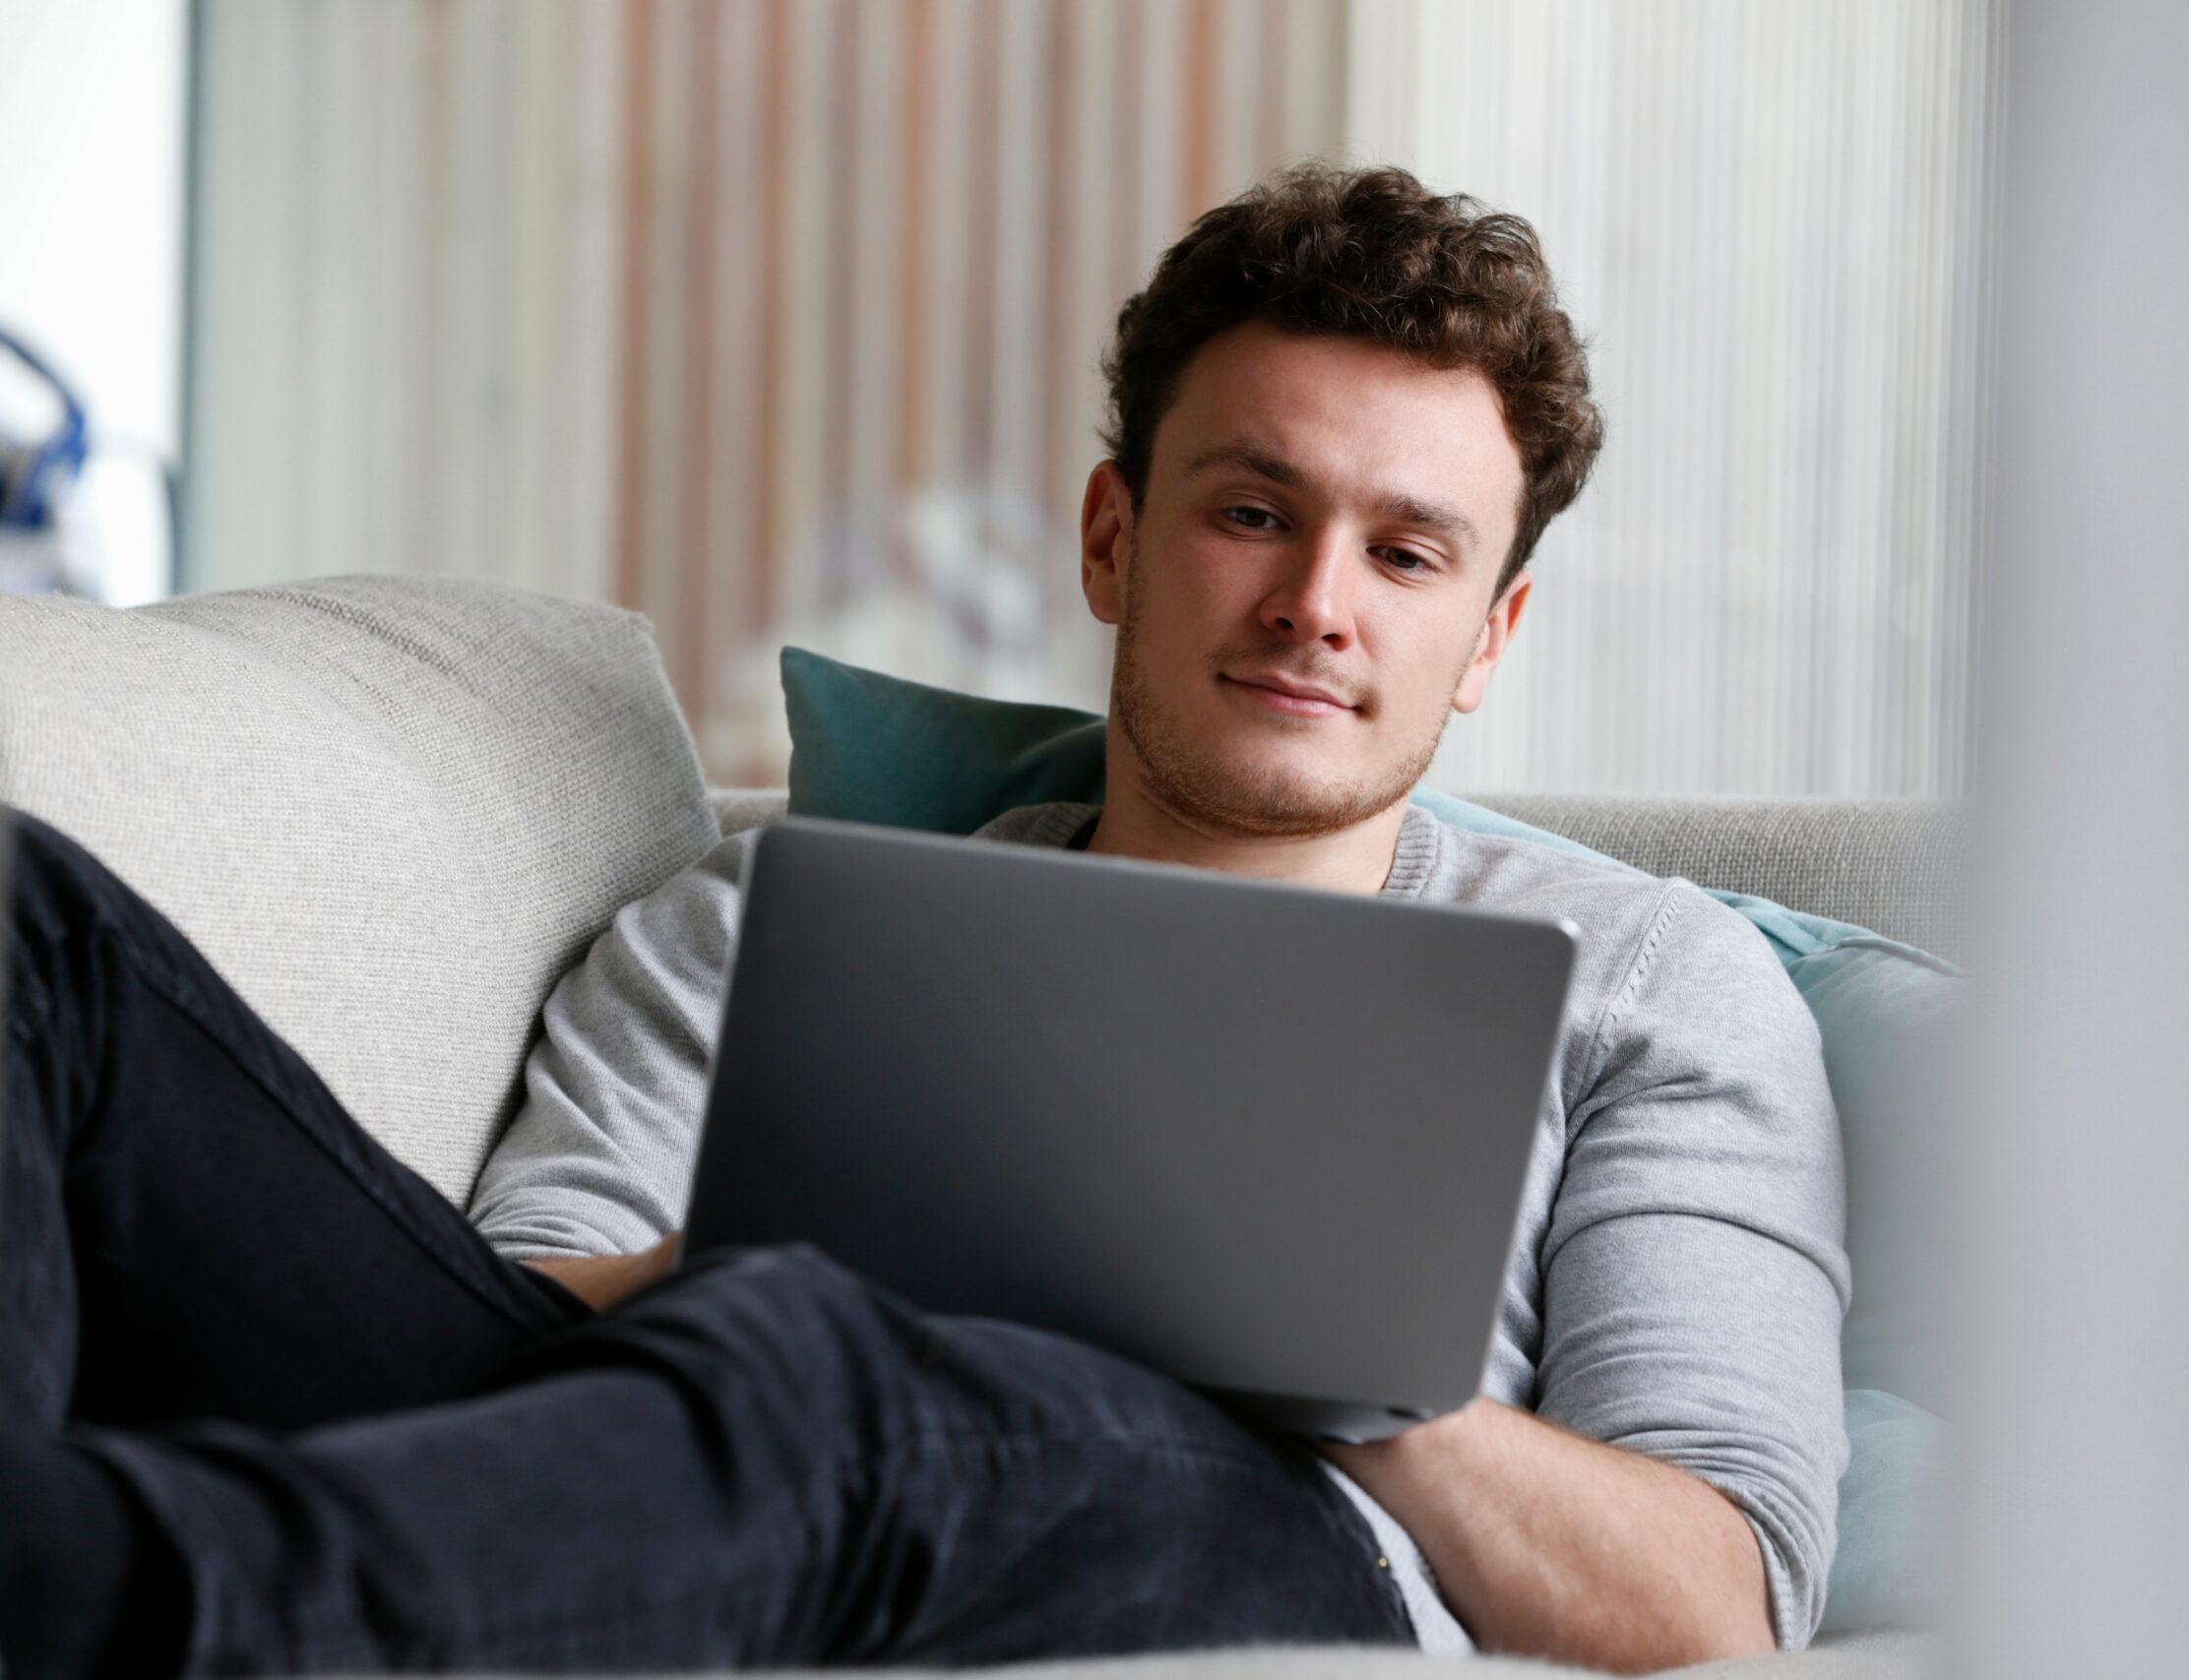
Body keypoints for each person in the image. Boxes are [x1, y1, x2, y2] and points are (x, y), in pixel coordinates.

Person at [0, 164, 1845, 1678]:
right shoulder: (773, 924)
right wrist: (821, 1243)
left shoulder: (1654, 988)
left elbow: (1713, 1611)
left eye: (1407, 552)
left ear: (1490, 639)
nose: (1316, 603)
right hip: (703, 1406)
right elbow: (496, 1329)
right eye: (1255, 510)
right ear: (1114, 539)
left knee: (842, 1367)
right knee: (31, 922)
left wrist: (1310, 1352)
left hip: (1275, 1533)